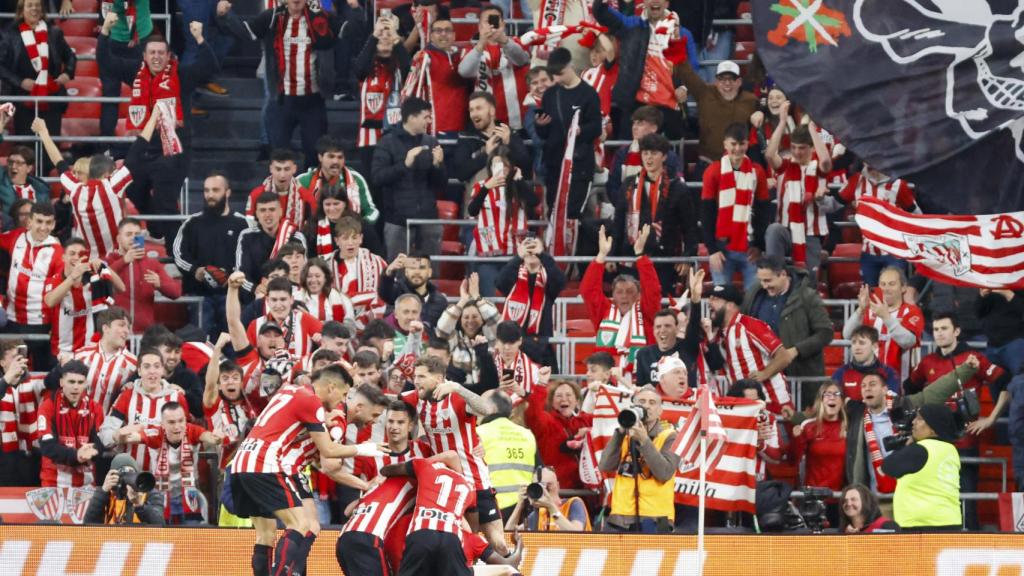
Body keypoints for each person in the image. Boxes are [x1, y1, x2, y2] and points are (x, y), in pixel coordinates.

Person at [229, 365, 382, 576]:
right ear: (331, 387)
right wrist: (365, 449)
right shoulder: (315, 404)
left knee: (266, 534)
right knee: (302, 525)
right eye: (344, 394)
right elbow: (329, 452)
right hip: (268, 464)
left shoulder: (289, 390)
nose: (343, 401)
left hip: (241, 462)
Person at [97, 13, 216, 241]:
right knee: (130, 186)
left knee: (165, 201)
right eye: (152, 52)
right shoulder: (136, 73)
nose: (157, 57)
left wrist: (200, 38)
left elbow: (209, 68)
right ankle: (155, 225)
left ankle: (174, 252)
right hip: (145, 149)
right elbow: (106, 63)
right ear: (144, 55)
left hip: (174, 150)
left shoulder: (181, 74)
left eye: (161, 53)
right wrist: (104, 32)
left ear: (169, 56)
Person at [905, 313, 1008, 530]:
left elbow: (1006, 384)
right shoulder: (927, 362)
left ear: (957, 331)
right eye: (936, 330)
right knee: (936, 498)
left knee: (966, 500)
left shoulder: (973, 358)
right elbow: (909, 391)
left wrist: (990, 419)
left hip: (965, 443)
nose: (939, 334)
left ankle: (970, 544)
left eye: (944, 328)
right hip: (934, 444)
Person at [400, 356, 509, 556]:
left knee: (499, 544)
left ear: (439, 379)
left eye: (422, 376)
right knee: (464, 544)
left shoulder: (458, 398)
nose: (416, 381)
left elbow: (486, 408)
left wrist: (458, 388)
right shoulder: (416, 398)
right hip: (447, 486)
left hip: (476, 481)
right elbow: (386, 403)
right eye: (415, 376)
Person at [216, 0, 346, 167]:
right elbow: (244, 32)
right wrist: (225, 16)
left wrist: (356, 10)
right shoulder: (272, 17)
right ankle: (281, 193)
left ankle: (312, 193)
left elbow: (348, 30)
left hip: (313, 100)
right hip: (282, 101)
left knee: (315, 159)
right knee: (279, 159)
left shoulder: (320, 18)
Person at [845, 359, 978, 497]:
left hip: (908, 493)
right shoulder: (856, 415)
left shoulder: (905, 406)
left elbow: (937, 390)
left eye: (872, 384)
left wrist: (965, 370)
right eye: (863, 386)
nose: (867, 388)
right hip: (872, 496)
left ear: (885, 389)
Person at [592, 0, 691, 139]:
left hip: (669, 105)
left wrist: (684, 88)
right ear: (644, 2)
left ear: (667, 3)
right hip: (636, 103)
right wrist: (600, 3)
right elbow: (601, 14)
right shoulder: (631, 24)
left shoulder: (681, 33)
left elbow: (692, 67)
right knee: (628, 152)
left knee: (667, 154)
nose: (655, 1)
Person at [742, 255, 832, 407]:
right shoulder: (754, 295)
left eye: (768, 281)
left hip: (802, 376)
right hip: (765, 377)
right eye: (761, 281)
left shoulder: (807, 296)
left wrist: (797, 350)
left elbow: (825, 332)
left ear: (783, 274)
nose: (764, 286)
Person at [614, 132, 697, 293]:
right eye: (645, 153)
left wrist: (687, 257)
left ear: (664, 157)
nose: (649, 158)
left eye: (654, 153)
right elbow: (618, 222)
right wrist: (612, 254)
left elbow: (690, 228)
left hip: (664, 260)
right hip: (631, 258)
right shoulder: (629, 184)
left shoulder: (678, 188)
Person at [764, 103, 841, 276]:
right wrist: (782, 122)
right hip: (785, 228)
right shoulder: (785, 166)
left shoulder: (818, 168)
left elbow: (827, 162)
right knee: (773, 230)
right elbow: (769, 155)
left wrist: (813, 130)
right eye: (794, 147)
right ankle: (774, 276)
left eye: (802, 148)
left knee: (808, 283)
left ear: (811, 148)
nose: (797, 152)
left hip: (811, 233)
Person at [171, 171, 250, 338]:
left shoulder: (242, 223)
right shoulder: (192, 222)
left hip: (232, 294)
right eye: (206, 190)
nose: (210, 195)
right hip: (199, 295)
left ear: (227, 192)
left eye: (215, 190)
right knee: (199, 340)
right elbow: (178, 253)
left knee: (232, 341)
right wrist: (195, 270)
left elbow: (247, 259)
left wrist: (231, 276)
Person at [372, 97, 447, 261]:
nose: (429, 120)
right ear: (412, 117)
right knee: (397, 273)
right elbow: (377, 178)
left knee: (430, 275)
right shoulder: (387, 142)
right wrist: (404, 165)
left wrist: (437, 165)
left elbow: (441, 185)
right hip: (398, 221)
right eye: (426, 117)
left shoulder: (431, 142)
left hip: (428, 220)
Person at [123, 401, 222, 524]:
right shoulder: (155, 434)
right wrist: (123, 433)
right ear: (162, 424)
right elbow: (130, 437)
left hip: (189, 496)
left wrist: (216, 438)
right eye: (171, 422)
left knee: (192, 538)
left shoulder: (192, 431)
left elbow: (208, 436)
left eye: (181, 421)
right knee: (160, 536)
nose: (177, 426)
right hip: (160, 497)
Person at [598, 385, 680, 533]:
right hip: (621, 516)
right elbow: (605, 466)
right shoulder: (625, 434)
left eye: (652, 402)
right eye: (641, 401)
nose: (646, 406)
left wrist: (644, 441)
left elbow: (664, 473)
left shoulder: (670, 436)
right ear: (634, 406)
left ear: (660, 410)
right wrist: (620, 432)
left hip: (655, 517)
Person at [707, 283, 796, 417]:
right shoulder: (718, 335)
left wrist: (764, 374)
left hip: (773, 405)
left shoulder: (750, 326)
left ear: (730, 305)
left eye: (715, 299)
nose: (709, 302)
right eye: (710, 298)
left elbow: (784, 356)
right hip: (744, 409)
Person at [381, 454, 478, 576]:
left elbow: (388, 470)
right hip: (452, 538)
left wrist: (423, 461)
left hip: (422, 533)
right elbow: (472, 527)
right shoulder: (470, 486)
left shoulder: (426, 466)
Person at [701, 122, 771, 290]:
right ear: (725, 144)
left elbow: (763, 212)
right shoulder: (713, 171)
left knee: (753, 303)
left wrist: (759, 246)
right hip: (721, 248)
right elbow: (706, 212)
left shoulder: (758, 172)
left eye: (742, 144)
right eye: (733, 144)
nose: (737, 149)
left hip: (749, 247)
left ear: (748, 144)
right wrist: (712, 249)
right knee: (722, 302)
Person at [535, 48, 602, 222]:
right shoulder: (550, 94)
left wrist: (580, 130)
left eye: (560, 74)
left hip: (578, 164)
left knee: (572, 215)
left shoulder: (589, 94)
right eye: (553, 75)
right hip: (555, 164)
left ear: (569, 66)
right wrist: (540, 125)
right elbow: (544, 133)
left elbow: (596, 128)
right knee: (553, 214)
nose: (556, 79)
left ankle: (572, 249)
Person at [583, 225, 661, 373]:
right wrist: (601, 256)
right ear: (613, 295)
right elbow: (588, 290)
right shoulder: (604, 311)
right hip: (607, 379)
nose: (624, 296)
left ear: (639, 295)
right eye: (619, 292)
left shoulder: (647, 311)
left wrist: (640, 256)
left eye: (630, 292)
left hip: (640, 379)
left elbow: (653, 290)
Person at [99, 348, 191, 471]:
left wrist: (145, 436)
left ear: (162, 370)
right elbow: (105, 434)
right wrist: (116, 436)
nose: (152, 371)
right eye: (147, 367)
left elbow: (187, 436)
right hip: (131, 475)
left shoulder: (176, 398)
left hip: (166, 476)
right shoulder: (126, 396)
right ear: (139, 371)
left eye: (157, 366)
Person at [0, 0, 75, 144]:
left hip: (51, 96)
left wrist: (67, 73)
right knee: (26, 147)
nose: (34, 9)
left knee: (50, 144)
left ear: (42, 10)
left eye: (37, 5)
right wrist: (20, 82)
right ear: (21, 11)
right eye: (30, 5)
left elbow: (70, 56)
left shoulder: (54, 32)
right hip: (22, 98)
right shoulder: (8, 34)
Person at [0, 202, 62, 370]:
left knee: (40, 373)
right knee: (8, 372)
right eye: (39, 221)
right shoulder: (16, 237)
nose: (43, 227)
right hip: (11, 321)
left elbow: (58, 296)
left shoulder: (57, 252)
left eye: (48, 222)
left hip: (40, 324)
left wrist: (55, 330)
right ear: (29, 222)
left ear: (54, 224)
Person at [882, 404, 964, 531]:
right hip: (951, 522)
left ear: (933, 429)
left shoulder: (921, 449)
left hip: (922, 526)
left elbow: (887, 466)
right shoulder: (951, 450)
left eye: (920, 419)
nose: (913, 422)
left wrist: (905, 446)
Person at [297, 135, 380, 256]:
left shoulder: (355, 179)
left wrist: (357, 227)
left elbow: (372, 211)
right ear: (320, 157)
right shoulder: (303, 181)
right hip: (315, 235)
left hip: (351, 236)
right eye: (331, 156)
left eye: (340, 157)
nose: (336, 161)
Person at [837, 164, 918, 286]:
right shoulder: (856, 181)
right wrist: (820, 199)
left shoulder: (898, 184)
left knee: (894, 293)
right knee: (871, 296)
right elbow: (834, 204)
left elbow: (915, 214)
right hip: (868, 252)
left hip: (894, 251)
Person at [675, 60, 758, 174]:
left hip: (738, 164)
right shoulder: (704, 93)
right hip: (707, 163)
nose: (727, 83)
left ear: (739, 82)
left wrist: (761, 112)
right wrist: (680, 58)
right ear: (716, 81)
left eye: (731, 79)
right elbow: (688, 76)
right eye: (722, 79)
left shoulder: (751, 101)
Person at [842, 268, 924, 383]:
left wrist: (886, 317)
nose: (886, 289)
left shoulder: (912, 311)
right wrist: (860, 310)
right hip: (869, 384)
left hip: (901, 385)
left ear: (903, 287)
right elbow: (847, 334)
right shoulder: (869, 310)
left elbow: (908, 341)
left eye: (892, 284)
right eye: (883, 284)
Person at [43, 237, 122, 357]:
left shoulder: (94, 278)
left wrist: (104, 265)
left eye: (80, 254)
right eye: (72, 253)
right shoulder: (55, 280)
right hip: (63, 353)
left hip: (91, 351)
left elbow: (121, 288)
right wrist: (73, 277)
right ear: (63, 257)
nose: (76, 257)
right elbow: (50, 301)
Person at [456, 4, 530, 130]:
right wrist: (481, 44)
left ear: (503, 23)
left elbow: (522, 60)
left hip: (516, 120)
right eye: (487, 21)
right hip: (485, 123)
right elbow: (464, 71)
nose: (491, 24)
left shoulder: (517, 42)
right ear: (479, 26)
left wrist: (504, 40)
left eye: (495, 20)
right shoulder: (472, 49)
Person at [495, 235, 566, 365]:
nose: (531, 251)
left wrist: (542, 255)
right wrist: (518, 257)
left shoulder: (548, 278)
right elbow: (500, 282)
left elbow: (560, 281)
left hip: (542, 345)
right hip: (513, 345)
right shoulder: (514, 277)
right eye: (528, 247)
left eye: (535, 247)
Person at [105, 218, 182, 333]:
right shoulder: (109, 261)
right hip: (114, 333)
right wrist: (124, 261)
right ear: (119, 239)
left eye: (137, 234)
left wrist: (160, 284)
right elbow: (100, 281)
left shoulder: (151, 263)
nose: (133, 238)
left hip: (144, 334)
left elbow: (176, 292)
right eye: (128, 234)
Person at [605, 106, 683, 213]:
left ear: (654, 128)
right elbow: (612, 186)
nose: (634, 127)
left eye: (640, 123)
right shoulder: (622, 154)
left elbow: (677, 187)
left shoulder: (669, 156)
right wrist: (626, 205)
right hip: (627, 214)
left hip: (660, 216)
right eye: (634, 123)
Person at [37, 360, 101, 488]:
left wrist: (93, 450)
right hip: (54, 483)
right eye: (71, 382)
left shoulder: (95, 408)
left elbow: (100, 443)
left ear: (86, 384)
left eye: (80, 382)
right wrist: (76, 455)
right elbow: (47, 447)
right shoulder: (48, 406)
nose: (76, 387)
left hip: (86, 483)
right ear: (61, 382)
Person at [402, 17, 471, 137]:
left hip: (464, 126)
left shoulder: (464, 56)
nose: (443, 34)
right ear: (431, 36)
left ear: (454, 35)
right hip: (434, 127)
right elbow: (409, 90)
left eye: (448, 30)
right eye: (438, 31)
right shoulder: (424, 58)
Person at [790, 382, 847, 527]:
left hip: (841, 498)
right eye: (827, 394)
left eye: (836, 394)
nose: (832, 398)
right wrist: (797, 439)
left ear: (842, 401)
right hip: (813, 497)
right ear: (820, 401)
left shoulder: (850, 427)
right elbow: (794, 459)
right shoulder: (809, 426)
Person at [454, 92, 532, 194]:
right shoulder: (466, 138)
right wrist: (486, 154)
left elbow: (526, 169)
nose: (474, 114)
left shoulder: (509, 134)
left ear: (492, 111)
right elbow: (460, 173)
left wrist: (509, 143)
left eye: (479, 108)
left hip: (510, 199)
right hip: (478, 202)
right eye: (471, 110)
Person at [353, 11, 410, 150]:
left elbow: (409, 71)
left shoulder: (400, 66)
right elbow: (358, 70)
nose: (385, 37)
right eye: (381, 34)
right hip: (369, 138)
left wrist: (396, 38)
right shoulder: (367, 65)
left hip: (398, 138)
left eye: (389, 33)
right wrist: (374, 35)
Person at [523, 379, 592, 490]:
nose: (564, 399)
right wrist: (541, 384)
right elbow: (533, 413)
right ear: (551, 401)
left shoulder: (586, 420)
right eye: (559, 396)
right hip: (557, 491)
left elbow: (608, 422)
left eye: (569, 395)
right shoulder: (547, 421)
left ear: (577, 401)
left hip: (587, 491)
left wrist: (590, 431)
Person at [477, 391, 537, 518]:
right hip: (524, 507)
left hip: (492, 508)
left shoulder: (478, 433)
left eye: (479, 403)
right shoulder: (527, 434)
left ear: (491, 408)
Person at [202, 333, 257, 472]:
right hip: (223, 470)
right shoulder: (214, 404)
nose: (230, 381)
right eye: (225, 378)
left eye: (235, 377)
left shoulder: (251, 402)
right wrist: (217, 349)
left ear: (241, 381)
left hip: (251, 468)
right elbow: (210, 384)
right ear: (219, 385)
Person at [436, 274, 501, 388]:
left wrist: (477, 297)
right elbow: (441, 329)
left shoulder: (491, 336)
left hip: (488, 391)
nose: (470, 321)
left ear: (482, 318)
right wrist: (462, 301)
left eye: (475, 316)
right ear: (460, 320)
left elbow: (495, 320)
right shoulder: (454, 338)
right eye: (466, 317)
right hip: (460, 393)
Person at [235, 191, 307, 294]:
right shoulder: (246, 236)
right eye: (263, 210)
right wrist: (255, 288)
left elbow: (303, 271)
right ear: (257, 214)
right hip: (255, 298)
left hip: (289, 295)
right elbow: (240, 274)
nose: (267, 215)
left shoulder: (296, 236)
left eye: (272, 210)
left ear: (280, 212)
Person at [0, 340, 49, 487]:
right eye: (15, 357)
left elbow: (54, 380)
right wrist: (7, 379)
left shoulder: (35, 382)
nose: (20, 361)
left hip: (32, 456)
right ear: (2, 362)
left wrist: (62, 364)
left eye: (21, 357)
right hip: (4, 457)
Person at [74, 307, 138, 414]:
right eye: (121, 325)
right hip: (78, 424)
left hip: (112, 427)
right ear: (105, 328)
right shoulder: (81, 356)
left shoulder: (133, 363)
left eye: (128, 327)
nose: (127, 331)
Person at [246, 276, 323, 359]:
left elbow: (332, 345)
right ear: (267, 300)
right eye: (274, 300)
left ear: (291, 300)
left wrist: (321, 343)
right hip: (266, 371)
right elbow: (248, 359)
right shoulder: (255, 325)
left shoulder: (307, 320)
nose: (278, 305)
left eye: (283, 299)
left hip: (299, 371)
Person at [83, 453, 165, 525]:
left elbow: (160, 525)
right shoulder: (107, 493)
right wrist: (102, 491)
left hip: (140, 540)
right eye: (121, 473)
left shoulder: (148, 492)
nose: (125, 479)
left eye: (130, 473)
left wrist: (139, 505)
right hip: (111, 540)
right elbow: (88, 524)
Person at [504, 465, 590, 531]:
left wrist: (551, 507)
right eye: (538, 486)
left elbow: (577, 533)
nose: (543, 490)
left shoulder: (573, 504)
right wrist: (520, 504)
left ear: (558, 486)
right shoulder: (539, 514)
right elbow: (508, 534)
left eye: (548, 485)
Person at [245, 148, 314, 230]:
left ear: (294, 169)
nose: (282, 175)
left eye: (287, 169)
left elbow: (312, 226)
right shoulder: (257, 194)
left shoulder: (306, 196)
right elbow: (250, 224)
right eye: (278, 169)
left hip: (295, 241)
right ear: (271, 169)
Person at [831, 326, 900, 400]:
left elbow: (889, 404)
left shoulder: (889, 373)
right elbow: (833, 402)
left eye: (862, 343)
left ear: (874, 346)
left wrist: (851, 404)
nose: (857, 347)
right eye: (854, 342)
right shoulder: (840, 373)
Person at [380, 253, 448, 328]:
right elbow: (385, 292)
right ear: (406, 272)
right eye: (412, 267)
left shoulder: (440, 301)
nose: (417, 272)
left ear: (429, 272)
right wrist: (389, 272)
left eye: (422, 268)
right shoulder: (396, 292)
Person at [976, 288, 1024, 375]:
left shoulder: (1019, 281)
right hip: (991, 344)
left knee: (1019, 380)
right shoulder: (991, 283)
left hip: (1016, 344)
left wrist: (1008, 294)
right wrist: (982, 297)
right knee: (992, 382)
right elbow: (978, 313)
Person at [297, 258, 355, 323]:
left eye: (317, 276)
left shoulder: (342, 299)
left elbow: (350, 329)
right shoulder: (296, 298)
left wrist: (310, 320)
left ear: (326, 278)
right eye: (309, 276)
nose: (313, 280)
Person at [0, 145, 50, 211]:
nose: (13, 166)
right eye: (10, 162)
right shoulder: (2, 184)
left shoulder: (41, 189)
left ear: (29, 168)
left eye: (19, 163)